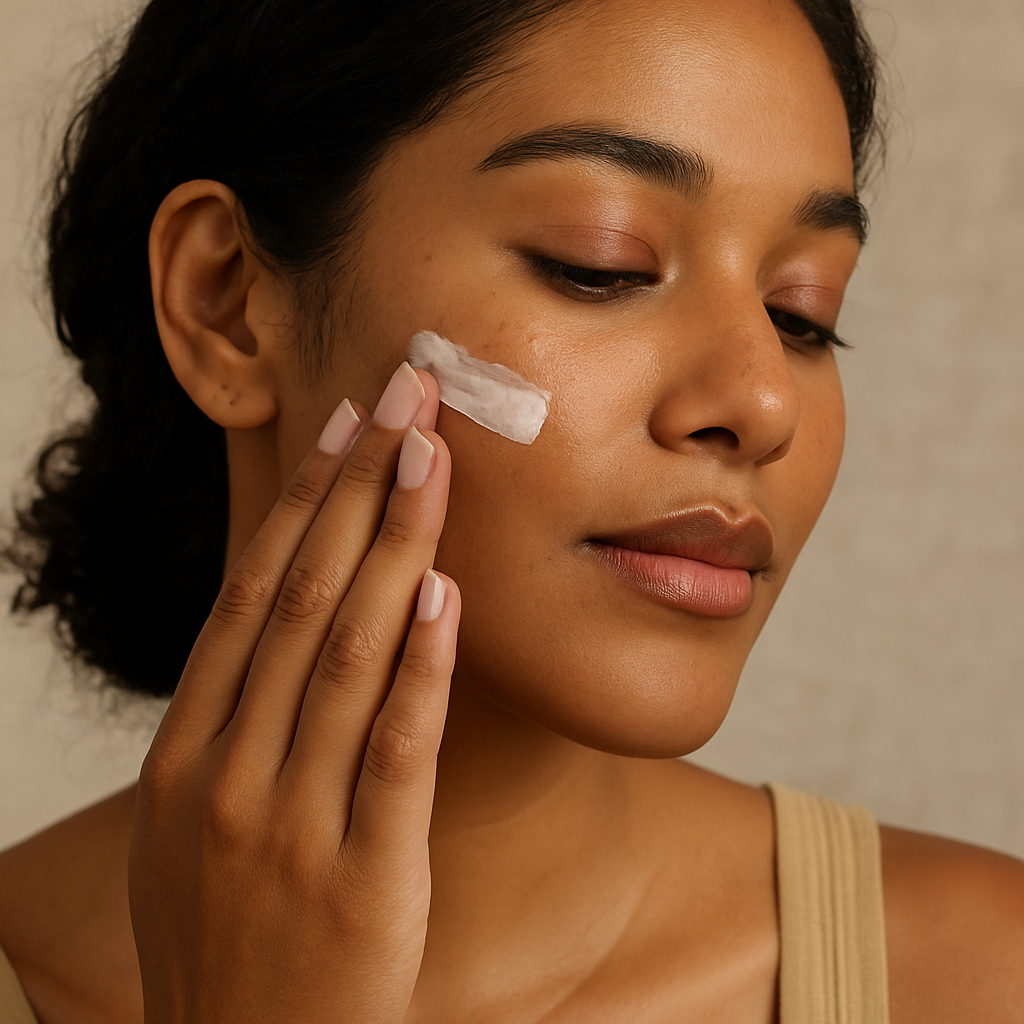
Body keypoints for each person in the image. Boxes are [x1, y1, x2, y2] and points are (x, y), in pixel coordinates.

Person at [0, 0, 1022, 1021]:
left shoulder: (979, 977)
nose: (763, 401)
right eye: (600, 263)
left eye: (802, 314)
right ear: (225, 300)